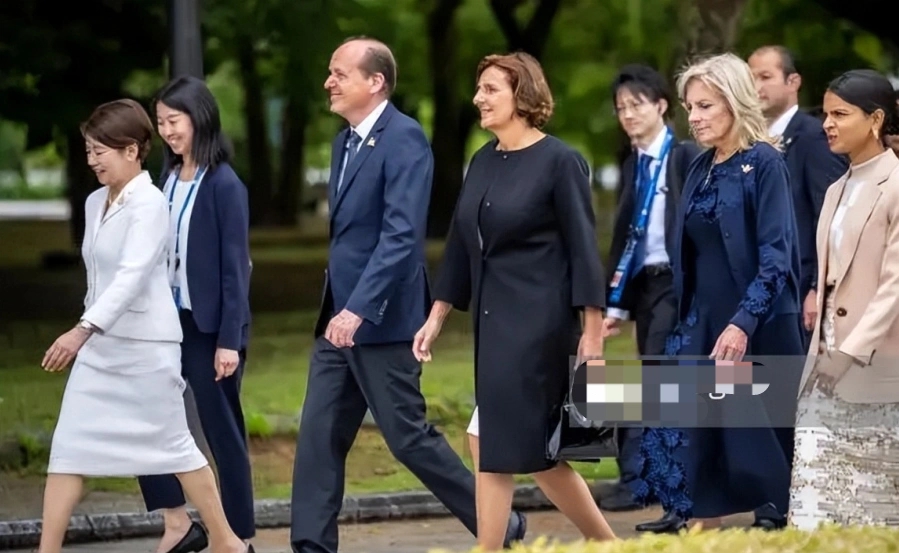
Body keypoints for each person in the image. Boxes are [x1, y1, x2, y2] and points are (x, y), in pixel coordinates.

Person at [288, 37, 526, 553]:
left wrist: (359, 308)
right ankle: (310, 545)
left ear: (375, 82)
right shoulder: (343, 141)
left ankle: (500, 527)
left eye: (339, 74)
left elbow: (400, 237)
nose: (329, 82)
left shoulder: (405, 139)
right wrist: (342, 308)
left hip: (382, 317)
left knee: (408, 438)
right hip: (337, 319)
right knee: (319, 434)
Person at [412, 52, 617, 551]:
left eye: (490, 89)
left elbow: (583, 251)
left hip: (539, 327)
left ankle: (493, 547)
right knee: (514, 446)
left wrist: (592, 334)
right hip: (494, 323)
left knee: (500, 442)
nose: (478, 98)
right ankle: (609, 544)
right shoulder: (483, 160)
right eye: (479, 89)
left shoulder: (560, 161)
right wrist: (436, 316)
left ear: (522, 95)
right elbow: (463, 245)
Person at [38, 99, 251, 553]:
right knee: (67, 449)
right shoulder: (96, 201)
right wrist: (90, 329)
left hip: (146, 350)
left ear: (133, 150)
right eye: (89, 151)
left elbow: (132, 276)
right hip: (101, 350)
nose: (92, 159)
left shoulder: (151, 203)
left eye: (101, 151)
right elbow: (99, 278)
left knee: (176, 450)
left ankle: (227, 542)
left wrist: (81, 330)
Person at [628, 52, 805, 530]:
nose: (696, 117)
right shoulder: (702, 165)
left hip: (756, 321)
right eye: (690, 107)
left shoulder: (765, 163)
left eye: (705, 106)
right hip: (702, 317)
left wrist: (743, 323)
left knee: (759, 439)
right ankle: (687, 512)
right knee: (694, 428)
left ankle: (773, 515)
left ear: (734, 102)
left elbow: (776, 258)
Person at [135, 76, 255, 553]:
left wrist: (229, 340)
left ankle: (240, 537)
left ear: (199, 118)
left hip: (210, 329)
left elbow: (234, 270)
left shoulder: (224, 185)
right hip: (167, 323)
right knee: (150, 418)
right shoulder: (168, 179)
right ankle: (179, 521)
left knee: (222, 432)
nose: (167, 131)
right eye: (161, 122)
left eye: (174, 120)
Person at [789, 69, 899, 530]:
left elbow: (895, 283)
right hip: (824, 354)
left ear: (875, 119)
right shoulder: (837, 187)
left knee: (871, 491)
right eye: (825, 114)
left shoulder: (895, 184)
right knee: (815, 480)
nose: (827, 124)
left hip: (875, 357)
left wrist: (851, 352)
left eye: (840, 114)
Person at [747, 45, 848, 529]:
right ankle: (768, 496)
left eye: (765, 75)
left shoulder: (811, 136)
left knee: (791, 393)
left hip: (797, 287)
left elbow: (824, 215)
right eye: (751, 76)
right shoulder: (748, 138)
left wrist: (813, 286)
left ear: (793, 82)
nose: (757, 84)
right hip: (756, 288)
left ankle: (798, 498)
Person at [600, 64, 701, 533]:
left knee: (662, 377)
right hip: (644, 285)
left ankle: (659, 483)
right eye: (621, 108)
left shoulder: (683, 156)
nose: (628, 115)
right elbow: (626, 234)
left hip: (678, 284)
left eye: (636, 105)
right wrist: (614, 304)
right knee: (653, 376)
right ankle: (651, 479)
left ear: (661, 106)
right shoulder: (633, 164)